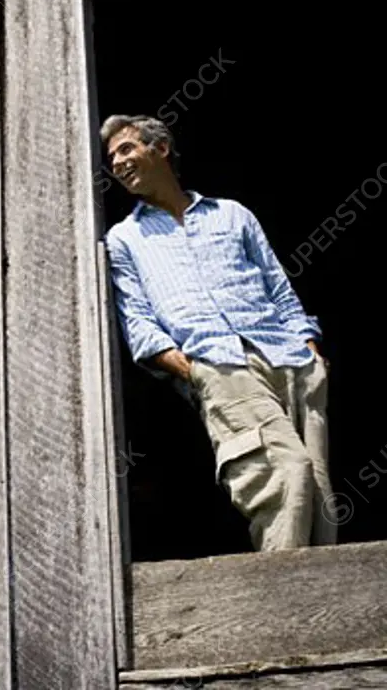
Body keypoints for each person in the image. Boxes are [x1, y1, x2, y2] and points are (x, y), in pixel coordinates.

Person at [101, 114, 336, 551]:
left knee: (320, 498)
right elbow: (137, 321)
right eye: (111, 157)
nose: (116, 162)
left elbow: (277, 285)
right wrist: (191, 369)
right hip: (219, 365)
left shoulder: (232, 214)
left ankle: (327, 611)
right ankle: (284, 605)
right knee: (285, 475)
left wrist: (309, 346)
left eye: (126, 149)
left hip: (291, 358)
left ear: (160, 149)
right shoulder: (124, 239)